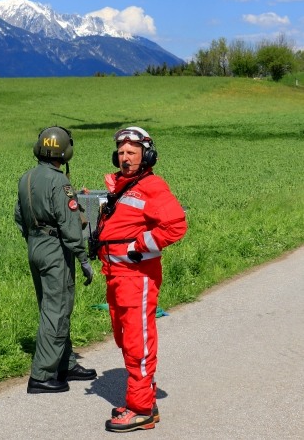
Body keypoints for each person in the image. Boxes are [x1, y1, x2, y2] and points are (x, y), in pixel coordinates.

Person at [94, 126, 187, 432]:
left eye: (131, 152)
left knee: (138, 343)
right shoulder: (122, 188)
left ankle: (141, 409)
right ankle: (144, 394)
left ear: (146, 155)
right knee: (124, 337)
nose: (125, 158)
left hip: (137, 277)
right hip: (116, 277)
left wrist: (137, 246)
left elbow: (175, 226)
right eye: (121, 152)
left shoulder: (152, 186)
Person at [14, 126, 97, 394]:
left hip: (35, 246)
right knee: (57, 309)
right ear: (65, 151)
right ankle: (42, 374)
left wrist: (36, 240)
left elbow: (19, 217)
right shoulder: (59, 182)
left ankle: (65, 363)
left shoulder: (26, 178)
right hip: (55, 249)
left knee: (52, 305)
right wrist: (83, 257)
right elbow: (70, 223)